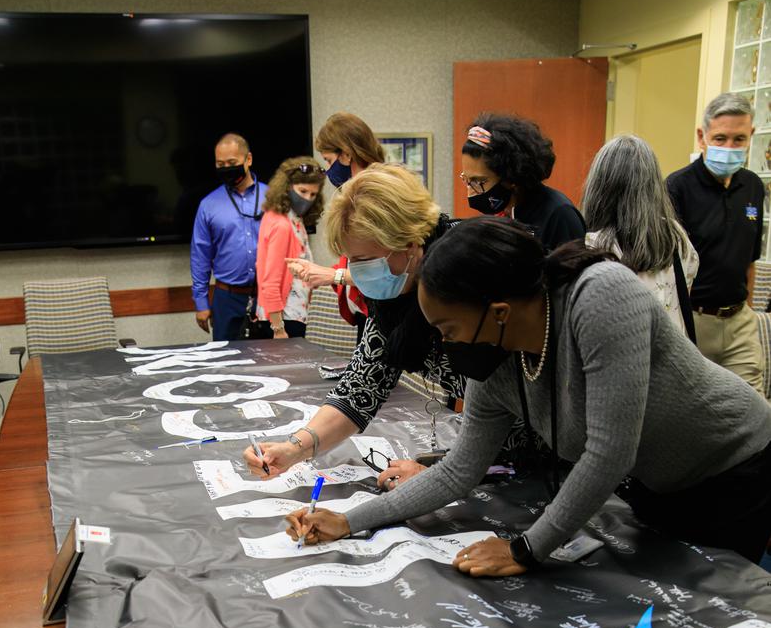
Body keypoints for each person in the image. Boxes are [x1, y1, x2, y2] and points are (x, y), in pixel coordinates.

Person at [286, 217, 771, 569]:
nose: (447, 345)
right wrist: (351, 520)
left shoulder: (600, 296)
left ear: (498, 311)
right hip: (657, 484)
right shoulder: (497, 357)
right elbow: (458, 470)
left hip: (734, 469)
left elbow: (609, 451)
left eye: (449, 329)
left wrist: (524, 549)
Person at [244, 164, 477, 487]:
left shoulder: (469, 276)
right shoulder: (392, 297)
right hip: (481, 454)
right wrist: (295, 448)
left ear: (410, 243)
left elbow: (506, 405)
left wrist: (444, 473)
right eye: (350, 260)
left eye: (366, 260)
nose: (356, 272)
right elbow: (360, 388)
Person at [666, 93, 765, 391]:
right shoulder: (677, 187)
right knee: (694, 409)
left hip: (739, 323)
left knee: (755, 408)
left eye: (739, 139)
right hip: (693, 321)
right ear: (702, 136)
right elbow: (667, 266)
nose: (729, 147)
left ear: (751, 136)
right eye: (720, 138)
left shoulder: (753, 186)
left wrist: (747, 311)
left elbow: (750, 259)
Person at [582, 135, 699, 336]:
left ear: (598, 186)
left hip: (623, 351)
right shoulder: (675, 235)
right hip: (671, 350)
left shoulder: (591, 246)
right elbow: (684, 294)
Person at [286, 113, 387, 342]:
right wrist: (325, 273)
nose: (327, 170)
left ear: (347, 154)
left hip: (383, 317)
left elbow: (388, 272)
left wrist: (333, 275)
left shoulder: (375, 197)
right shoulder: (361, 193)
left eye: (329, 160)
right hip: (369, 315)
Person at [460, 113, 586, 249]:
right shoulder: (501, 212)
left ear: (510, 176)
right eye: (466, 180)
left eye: (479, 182)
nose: (470, 192)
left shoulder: (559, 215)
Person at [189, 133, 268, 340]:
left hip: (268, 294)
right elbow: (200, 257)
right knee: (226, 357)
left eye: (232, 163)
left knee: (271, 356)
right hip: (227, 298)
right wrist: (201, 303)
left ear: (248, 159)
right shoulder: (208, 205)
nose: (226, 169)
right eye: (220, 164)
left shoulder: (273, 198)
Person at [254, 158, 325, 339]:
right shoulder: (282, 225)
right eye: (302, 191)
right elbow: (270, 281)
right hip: (284, 318)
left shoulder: (284, 217)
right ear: (287, 187)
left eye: (313, 194)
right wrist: (278, 328)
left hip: (290, 314)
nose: (307, 199)